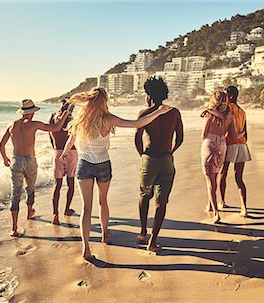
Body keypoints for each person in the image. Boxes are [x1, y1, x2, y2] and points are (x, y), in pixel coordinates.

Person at [60, 87, 172, 260]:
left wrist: (65, 153)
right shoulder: (108, 119)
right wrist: (158, 112)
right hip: (103, 165)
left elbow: (71, 140)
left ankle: (86, 248)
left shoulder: (80, 120)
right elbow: (136, 124)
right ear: (103, 102)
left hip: (84, 165)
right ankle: (105, 233)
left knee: (86, 208)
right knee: (102, 201)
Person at [0, 99, 70, 237]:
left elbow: (1, 145)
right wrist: (65, 115)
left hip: (16, 161)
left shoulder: (12, 125)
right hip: (30, 161)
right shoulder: (33, 124)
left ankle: (14, 228)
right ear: (31, 112)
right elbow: (55, 128)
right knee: (30, 188)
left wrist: (5, 158)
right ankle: (30, 211)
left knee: (16, 193)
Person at [135, 76, 184, 252]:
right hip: (166, 160)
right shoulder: (174, 112)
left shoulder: (145, 113)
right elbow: (180, 138)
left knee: (144, 195)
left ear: (149, 96)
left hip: (149, 159)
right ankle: (153, 241)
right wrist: (170, 152)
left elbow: (137, 139)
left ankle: (142, 232)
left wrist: (143, 156)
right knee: (161, 201)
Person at [200, 91, 238, 223]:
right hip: (222, 144)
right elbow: (234, 135)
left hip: (209, 143)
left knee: (209, 181)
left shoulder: (209, 115)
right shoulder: (230, 116)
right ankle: (211, 204)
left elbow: (203, 134)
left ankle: (216, 213)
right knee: (215, 177)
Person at [220, 86, 251, 217]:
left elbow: (223, 129)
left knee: (223, 174)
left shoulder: (227, 109)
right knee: (239, 178)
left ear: (230, 96)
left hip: (230, 144)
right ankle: (244, 208)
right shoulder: (243, 111)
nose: (223, 99)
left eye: (225, 96)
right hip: (242, 145)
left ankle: (222, 202)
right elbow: (246, 133)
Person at [48, 99, 77, 225]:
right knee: (70, 182)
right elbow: (74, 137)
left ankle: (55, 214)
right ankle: (66, 210)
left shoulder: (52, 117)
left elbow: (50, 134)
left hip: (57, 152)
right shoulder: (71, 119)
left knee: (57, 184)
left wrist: (55, 148)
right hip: (71, 152)